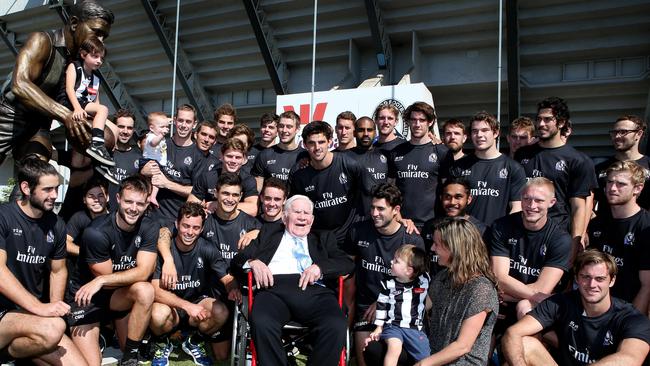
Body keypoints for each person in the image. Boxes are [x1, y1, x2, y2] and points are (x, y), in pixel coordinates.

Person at [231, 195, 354, 365]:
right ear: (284, 217)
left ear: (312, 219)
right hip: (273, 291)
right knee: (262, 321)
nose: (302, 217)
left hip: (316, 293)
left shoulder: (324, 238)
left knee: (335, 323)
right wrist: (253, 262)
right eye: (297, 212)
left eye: (306, 213)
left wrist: (320, 267)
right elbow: (237, 261)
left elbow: (346, 263)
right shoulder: (268, 234)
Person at [0, 0, 114, 166]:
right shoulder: (42, 41)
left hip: (40, 125)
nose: (100, 40)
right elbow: (20, 84)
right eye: (96, 32)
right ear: (75, 23)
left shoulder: (83, 63)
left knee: (39, 177)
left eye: (104, 36)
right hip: (10, 116)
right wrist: (65, 115)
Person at [0, 157, 87, 365]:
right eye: (47, 189)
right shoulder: (4, 216)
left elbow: (58, 271)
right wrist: (40, 309)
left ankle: (9, 355)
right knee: (53, 330)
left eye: (56, 188)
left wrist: (53, 308)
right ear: (26, 188)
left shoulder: (56, 225)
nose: (55, 195)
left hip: (34, 319)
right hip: (3, 314)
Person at [66, 175, 158, 366]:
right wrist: (102, 280)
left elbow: (145, 271)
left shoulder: (150, 226)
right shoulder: (96, 232)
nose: (134, 208)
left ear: (147, 202)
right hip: (87, 298)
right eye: (128, 201)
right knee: (91, 363)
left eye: (140, 203)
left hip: (116, 294)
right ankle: (97, 335)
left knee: (145, 290)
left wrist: (101, 280)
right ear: (117, 199)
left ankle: (130, 357)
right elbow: (107, 276)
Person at [503, 249, 650, 366]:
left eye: (600, 279)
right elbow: (513, 333)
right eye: (585, 277)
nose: (592, 285)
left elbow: (630, 359)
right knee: (523, 344)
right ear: (577, 279)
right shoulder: (560, 303)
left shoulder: (631, 317)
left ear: (612, 281)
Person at [149, 202, 240, 366]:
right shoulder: (163, 250)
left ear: (202, 229)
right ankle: (162, 342)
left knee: (220, 311)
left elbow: (226, 278)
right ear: (177, 224)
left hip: (197, 304)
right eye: (186, 226)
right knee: (156, 314)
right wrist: (186, 306)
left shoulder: (207, 248)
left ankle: (194, 340)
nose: (190, 232)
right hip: (170, 307)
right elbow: (154, 290)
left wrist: (232, 288)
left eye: (196, 228)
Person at [345, 183, 424, 366]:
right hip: (365, 312)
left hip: (398, 314)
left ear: (396, 210)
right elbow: (349, 273)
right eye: (372, 207)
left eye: (381, 209)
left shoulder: (411, 239)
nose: (374, 213)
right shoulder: (358, 231)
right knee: (364, 356)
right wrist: (348, 311)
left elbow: (418, 286)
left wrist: (384, 300)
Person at [488, 177, 572, 334]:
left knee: (525, 307)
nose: (532, 206)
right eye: (527, 199)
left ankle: (528, 356)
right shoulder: (502, 226)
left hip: (527, 302)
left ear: (551, 203)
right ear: (521, 199)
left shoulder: (560, 238)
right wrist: (498, 293)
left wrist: (505, 296)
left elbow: (542, 289)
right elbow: (499, 276)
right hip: (505, 299)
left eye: (539, 201)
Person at [515, 97, 597, 252]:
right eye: (538, 119)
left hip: (557, 235)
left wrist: (575, 242)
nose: (540, 124)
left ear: (561, 123)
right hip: (522, 233)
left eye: (547, 120)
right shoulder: (522, 154)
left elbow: (579, 207)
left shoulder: (579, 160)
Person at [416, 217, 499, 366]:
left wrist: (423, 364)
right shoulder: (443, 277)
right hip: (435, 356)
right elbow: (418, 307)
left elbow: (462, 346)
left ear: (454, 248)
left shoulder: (481, 289)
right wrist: (389, 301)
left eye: (437, 244)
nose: (432, 249)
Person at [588, 160, 650, 312]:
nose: (612, 188)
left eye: (620, 184)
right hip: (596, 308)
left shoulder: (646, 227)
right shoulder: (597, 223)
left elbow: (647, 286)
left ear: (638, 188)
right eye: (609, 182)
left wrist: (632, 325)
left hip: (629, 310)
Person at [289, 120, 363, 245]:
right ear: (305, 145)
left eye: (321, 142)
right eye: (311, 143)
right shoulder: (299, 174)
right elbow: (295, 209)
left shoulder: (350, 165)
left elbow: (368, 197)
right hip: (317, 240)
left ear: (330, 142)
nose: (317, 148)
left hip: (348, 240)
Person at [448, 111, 526, 225]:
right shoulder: (459, 167)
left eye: (485, 130)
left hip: (496, 237)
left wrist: (503, 234)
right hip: (464, 236)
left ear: (495, 133)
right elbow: (451, 205)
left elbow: (517, 208)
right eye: (475, 131)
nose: (479, 135)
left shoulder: (513, 168)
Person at [140, 104, 207, 228]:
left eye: (188, 121)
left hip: (176, 221)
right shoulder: (161, 143)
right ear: (175, 121)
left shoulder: (199, 156)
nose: (183, 125)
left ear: (194, 124)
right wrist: (144, 171)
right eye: (180, 120)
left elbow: (198, 193)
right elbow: (142, 169)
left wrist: (167, 184)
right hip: (151, 215)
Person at [388, 102, 449, 237]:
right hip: (402, 223)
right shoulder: (396, 153)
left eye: (422, 120)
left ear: (430, 122)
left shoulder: (442, 152)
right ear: (408, 122)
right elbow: (390, 190)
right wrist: (398, 217)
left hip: (432, 225)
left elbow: (448, 190)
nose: (417, 124)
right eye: (413, 120)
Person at [365, 245, 430, 365]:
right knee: (394, 348)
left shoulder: (424, 280)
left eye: (396, 261)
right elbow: (381, 306)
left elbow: (422, 264)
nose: (391, 261)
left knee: (425, 356)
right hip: (393, 326)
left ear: (409, 270)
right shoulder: (388, 284)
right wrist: (379, 327)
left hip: (415, 328)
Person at [61, 36, 114, 169]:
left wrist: (98, 115)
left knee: (115, 129)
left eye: (101, 58)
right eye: (95, 56)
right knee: (104, 109)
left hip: (86, 105)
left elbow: (96, 101)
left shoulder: (96, 78)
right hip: (73, 102)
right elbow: (69, 89)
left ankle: (104, 161)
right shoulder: (75, 67)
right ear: (84, 54)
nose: (99, 61)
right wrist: (77, 108)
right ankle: (97, 145)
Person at [594, 115, 650, 214]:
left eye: (623, 132)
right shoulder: (600, 166)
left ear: (639, 134)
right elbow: (590, 200)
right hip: (605, 226)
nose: (617, 136)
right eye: (614, 132)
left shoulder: (648, 164)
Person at [189, 138, 259, 216]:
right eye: (229, 156)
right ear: (221, 156)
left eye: (238, 157)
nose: (233, 161)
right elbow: (190, 205)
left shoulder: (248, 180)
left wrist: (218, 205)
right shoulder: (207, 177)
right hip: (211, 222)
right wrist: (201, 211)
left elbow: (252, 209)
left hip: (237, 225)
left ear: (244, 159)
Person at [345, 116, 389, 220]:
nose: (365, 134)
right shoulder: (344, 157)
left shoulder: (385, 155)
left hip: (381, 217)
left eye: (369, 130)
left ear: (375, 132)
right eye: (361, 130)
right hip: (354, 221)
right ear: (355, 133)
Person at [251, 110, 307, 191]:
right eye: (281, 126)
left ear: (297, 129)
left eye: (289, 126)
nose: (284, 130)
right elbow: (257, 191)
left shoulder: (305, 155)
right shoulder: (265, 155)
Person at [65, 177, 109, 258]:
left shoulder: (116, 218)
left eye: (100, 195)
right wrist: (87, 253)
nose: (96, 200)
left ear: (107, 197)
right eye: (91, 196)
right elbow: (64, 243)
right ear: (84, 200)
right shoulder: (79, 217)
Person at [110, 109, 141, 202]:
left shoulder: (139, 156)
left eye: (129, 128)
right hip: (104, 212)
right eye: (121, 126)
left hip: (127, 212)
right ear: (113, 127)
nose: (125, 131)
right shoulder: (103, 152)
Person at [140, 111, 170, 208]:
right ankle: (152, 196)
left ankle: (152, 196)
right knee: (157, 179)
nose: (165, 129)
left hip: (157, 162)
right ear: (151, 128)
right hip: (150, 161)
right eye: (162, 127)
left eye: (166, 127)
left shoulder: (158, 135)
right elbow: (153, 143)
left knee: (157, 180)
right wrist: (161, 135)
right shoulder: (151, 136)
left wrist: (170, 120)